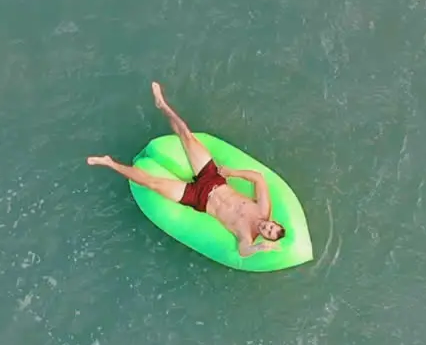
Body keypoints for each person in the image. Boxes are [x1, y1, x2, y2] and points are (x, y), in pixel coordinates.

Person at [86, 82, 286, 257]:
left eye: (267, 232)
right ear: (273, 221)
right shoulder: (263, 209)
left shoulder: (247, 236)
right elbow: (258, 179)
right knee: (187, 135)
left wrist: (260, 248)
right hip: (214, 179)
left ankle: (109, 163)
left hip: (198, 198)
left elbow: (243, 252)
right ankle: (162, 104)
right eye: (270, 226)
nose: (265, 227)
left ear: (265, 236)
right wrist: (232, 173)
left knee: (152, 183)